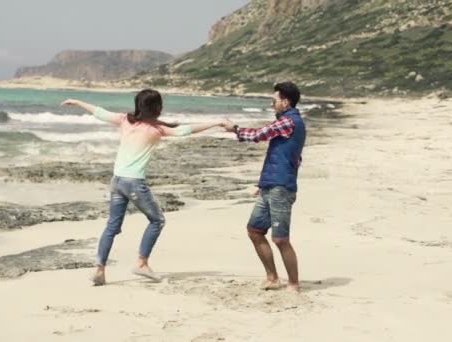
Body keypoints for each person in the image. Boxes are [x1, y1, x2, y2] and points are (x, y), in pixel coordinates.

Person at [62, 89, 226, 286]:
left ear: (138, 105)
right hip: (134, 183)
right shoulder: (156, 129)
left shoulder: (125, 120)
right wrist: (217, 122)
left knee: (112, 226)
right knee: (157, 221)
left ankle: (99, 270)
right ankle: (142, 263)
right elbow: (186, 130)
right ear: (157, 108)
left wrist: (78, 101)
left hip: (117, 181)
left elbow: (99, 112)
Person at [223, 81, 306, 292]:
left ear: (285, 102)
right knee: (254, 230)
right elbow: (291, 156)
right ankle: (272, 277)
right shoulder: (288, 123)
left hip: (280, 187)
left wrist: (235, 129)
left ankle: (294, 284)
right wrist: (263, 184)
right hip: (270, 184)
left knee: (280, 239)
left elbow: (258, 135)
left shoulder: (289, 122)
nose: (272, 104)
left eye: (274, 100)